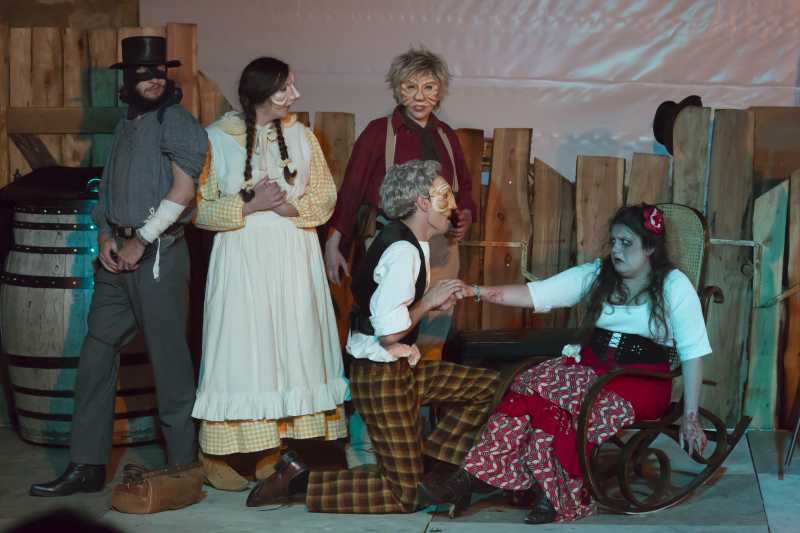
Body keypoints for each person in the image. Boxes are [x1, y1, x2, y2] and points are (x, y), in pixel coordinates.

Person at [420, 204, 711, 524]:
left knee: (569, 401)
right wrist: (474, 291)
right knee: (528, 384)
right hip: (591, 368)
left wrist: (690, 416)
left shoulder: (674, 285)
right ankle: (479, 477)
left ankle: (552, 489)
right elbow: (538, 294)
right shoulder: (600, 274)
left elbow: (693, 351)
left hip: (641, 381)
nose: (616, 250)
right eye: (614, 241)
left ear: (651, 248)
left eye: (627, 243)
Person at [245, 160, 500, 513]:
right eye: (445, 196)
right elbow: (389, 333)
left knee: (487, 387)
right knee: (403, 497)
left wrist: (431, 299)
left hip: (399, 370)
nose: (454, 205)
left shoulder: (407, 240)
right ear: (421, 202)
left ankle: (434, 471)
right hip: (380, 378)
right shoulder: (403, 251)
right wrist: (429, 301)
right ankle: (297, 480)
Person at [30, 36, 207, 496]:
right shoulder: (126, 124)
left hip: (158, 255)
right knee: (95, 355)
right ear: (127, 79)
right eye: (143, 72)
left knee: (169, 361)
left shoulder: (177, 122)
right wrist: (108, 236)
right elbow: (108, 192)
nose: (154, 79)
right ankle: (87, 465)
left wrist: (140, 241)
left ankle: (182, 468)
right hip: (117, 258)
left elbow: (183, 191)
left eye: (160, 71)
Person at [191, 57, 348, 492]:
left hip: (293, 256)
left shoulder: (302, 136)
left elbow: (325, 195)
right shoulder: (216, 138)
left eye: (292, 86)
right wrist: (250, 204)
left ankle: (272, 450)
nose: (294, 96)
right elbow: (198, 207)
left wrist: (288, 207)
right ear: (260, 92)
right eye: (284, 88)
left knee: (288, 347)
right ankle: (216, 452)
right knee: (242, 348)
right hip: (242, 257)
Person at [324, 46, 476, 468]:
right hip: (392, 244)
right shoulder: (379, 133)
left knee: (430, 342)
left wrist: (465, 217)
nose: (420, 96)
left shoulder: (447, 137)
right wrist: (335, 241)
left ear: (440, 91)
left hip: (440, 249)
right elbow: (352, 189)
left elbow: (463, 191)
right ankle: (371, 442)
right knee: (385, 339)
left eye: (429, 87)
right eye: (410, 87)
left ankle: (416, 439)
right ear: (397, 89)